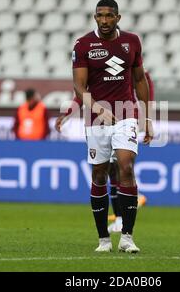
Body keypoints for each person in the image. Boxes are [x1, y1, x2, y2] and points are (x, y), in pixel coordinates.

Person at [71, 0, 153, 253]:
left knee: (126, 167)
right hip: (96, 119)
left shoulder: (132, 42)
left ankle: (127, 238)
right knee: (99, 175)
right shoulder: (83, 45)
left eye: (109, 16)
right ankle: (103, 240)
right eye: (100, 16)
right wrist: (98, 109)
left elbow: (140, 80)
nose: (104, 20)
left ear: (118, 17)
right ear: (95, 17)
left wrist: (147, 118)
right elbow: (79, 87)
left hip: (126, 113)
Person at [55, 70, 155, 233]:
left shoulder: (133, 67)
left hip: (127, 119)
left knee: (123, 168)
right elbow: (82, 93)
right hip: (101, 122)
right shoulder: (98, 68)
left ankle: (123, 221)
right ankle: (119, 218)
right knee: (111, 172)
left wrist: (146, 118)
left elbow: (145, 89)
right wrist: (67, 114)